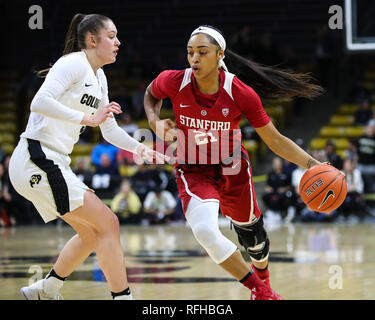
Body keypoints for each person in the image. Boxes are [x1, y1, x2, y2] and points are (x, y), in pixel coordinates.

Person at [144, 25, 324, 300]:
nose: (194, 58)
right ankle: (263, 293)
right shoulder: (173, 81)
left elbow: (275, 140)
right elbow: (150, 95)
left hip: (232, 167)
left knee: (255, 240)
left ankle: (262, 279)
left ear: (219, 55)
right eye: (190, 52)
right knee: (205, 230)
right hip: (193, 169)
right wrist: (154, 123)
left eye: (202, 52)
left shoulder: (240, 92)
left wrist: (314, 165)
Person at [8, 13, 166, 300]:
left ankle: (46, 289)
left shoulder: (99, 76)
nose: (118, 42)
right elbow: (39, 102)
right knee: (109, 223)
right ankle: (123, 297)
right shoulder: (72, 63)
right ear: (93, 40)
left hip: (53, 161)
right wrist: (87, 118)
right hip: (36, 157)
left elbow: (108, 129)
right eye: (112, 36)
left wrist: (139, 148)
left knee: (93, 233)